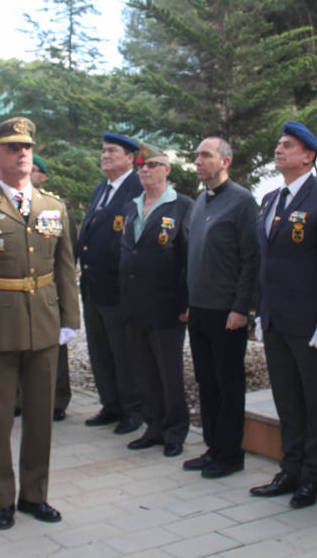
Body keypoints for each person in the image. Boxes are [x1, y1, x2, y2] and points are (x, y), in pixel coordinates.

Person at [0, 117, 79, 531]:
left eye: (26, 147)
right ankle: (3, 498)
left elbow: (65, 267)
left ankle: (34, 495)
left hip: (44, 322)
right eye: (12, 148)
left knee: (41, 417)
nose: (23, 153)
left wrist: (70, 319)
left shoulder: (52, 206)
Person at [251, 122, 317, 508]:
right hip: (276, 319)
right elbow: (265, 262)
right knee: (287, 398)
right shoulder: (270, 199)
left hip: (309, 322)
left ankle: (312, 475)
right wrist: (261, 312)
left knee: (314, 400)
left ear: (309, 156)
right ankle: (290, 467)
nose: (279, 150)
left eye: (288, 146)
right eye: (278, 144)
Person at [183, 137, 259, 479]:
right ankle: (213, 447)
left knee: (228, 384)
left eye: (206, 155)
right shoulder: (201, 200)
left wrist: (241, 308)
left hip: (227, 311)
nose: (198, 161)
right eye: (197, 155)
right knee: (207, 381)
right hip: (200, 307)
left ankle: (230, 455)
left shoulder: (242, 202)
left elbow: (251, 258)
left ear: (225, 162)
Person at [119, 142, 192, 458]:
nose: (145, 170)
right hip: (135, 304)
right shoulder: (131, 205)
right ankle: (154, 427)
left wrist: (186, 303)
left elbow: (189, 258)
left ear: (167, 170)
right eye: (141, 166)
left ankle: (175, 431)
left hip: (167, 306)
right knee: (145, 371)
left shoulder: (182, 206)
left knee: (169, 372)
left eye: (152, 165)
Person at [79, 133, 144, 434]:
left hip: (120, 289)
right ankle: (111, 404)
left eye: (112, 151)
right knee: (100, 351)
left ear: (130, 158)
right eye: (103, 150)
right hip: (94, 287)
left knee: (125, 353)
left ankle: (133, 409)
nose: (105, 155)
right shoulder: (101, 189)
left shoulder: (137, 189)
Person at [31, 153, 72, 421]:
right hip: (16, 290)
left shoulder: (53, 207)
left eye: (35, 170)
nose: (29, 173)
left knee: (54, 348)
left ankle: (57, 400)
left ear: (43, 176)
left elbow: (66, 255)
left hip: (49, 289)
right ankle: (21, 399)